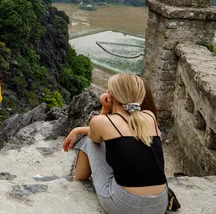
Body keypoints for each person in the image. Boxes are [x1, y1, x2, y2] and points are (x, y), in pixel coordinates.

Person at [64, 73, 168, 214]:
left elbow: (95, 136)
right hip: (160, 204)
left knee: (90, 142)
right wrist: (78, 129)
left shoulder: (101, 122)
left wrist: (105, 110)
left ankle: (79, 181)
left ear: (110, 95)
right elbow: (125, 129)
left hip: (125, 205)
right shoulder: (149, 116)